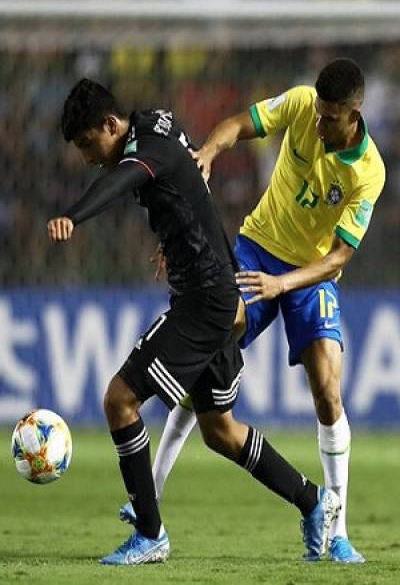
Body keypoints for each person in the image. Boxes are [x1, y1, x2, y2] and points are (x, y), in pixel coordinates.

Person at [48, 79, 340, 566]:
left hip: (203, 302)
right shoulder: (157, 122)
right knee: (220, 431)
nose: (86, 157)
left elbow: (124, 179)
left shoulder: (145, 151)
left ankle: (150, 533)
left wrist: (74, 216)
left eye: (86, 144)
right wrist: (182, 234)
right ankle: (314, 503)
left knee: (119, 401)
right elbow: (191, 187)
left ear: (109, 125)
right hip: (216, 292)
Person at [120, 58, 385, 563]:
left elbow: (340, 257)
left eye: (330, 118)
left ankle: (338, 531)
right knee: (203, 357)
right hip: (257, 248)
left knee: (328, 388)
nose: (318, 124)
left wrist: (282, 284)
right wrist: (209, 151)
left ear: (355, 116)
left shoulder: (370, 172)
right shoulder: (304, 103)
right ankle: (149, 500)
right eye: (319, 113)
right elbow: (242, 124)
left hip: (308, 273)